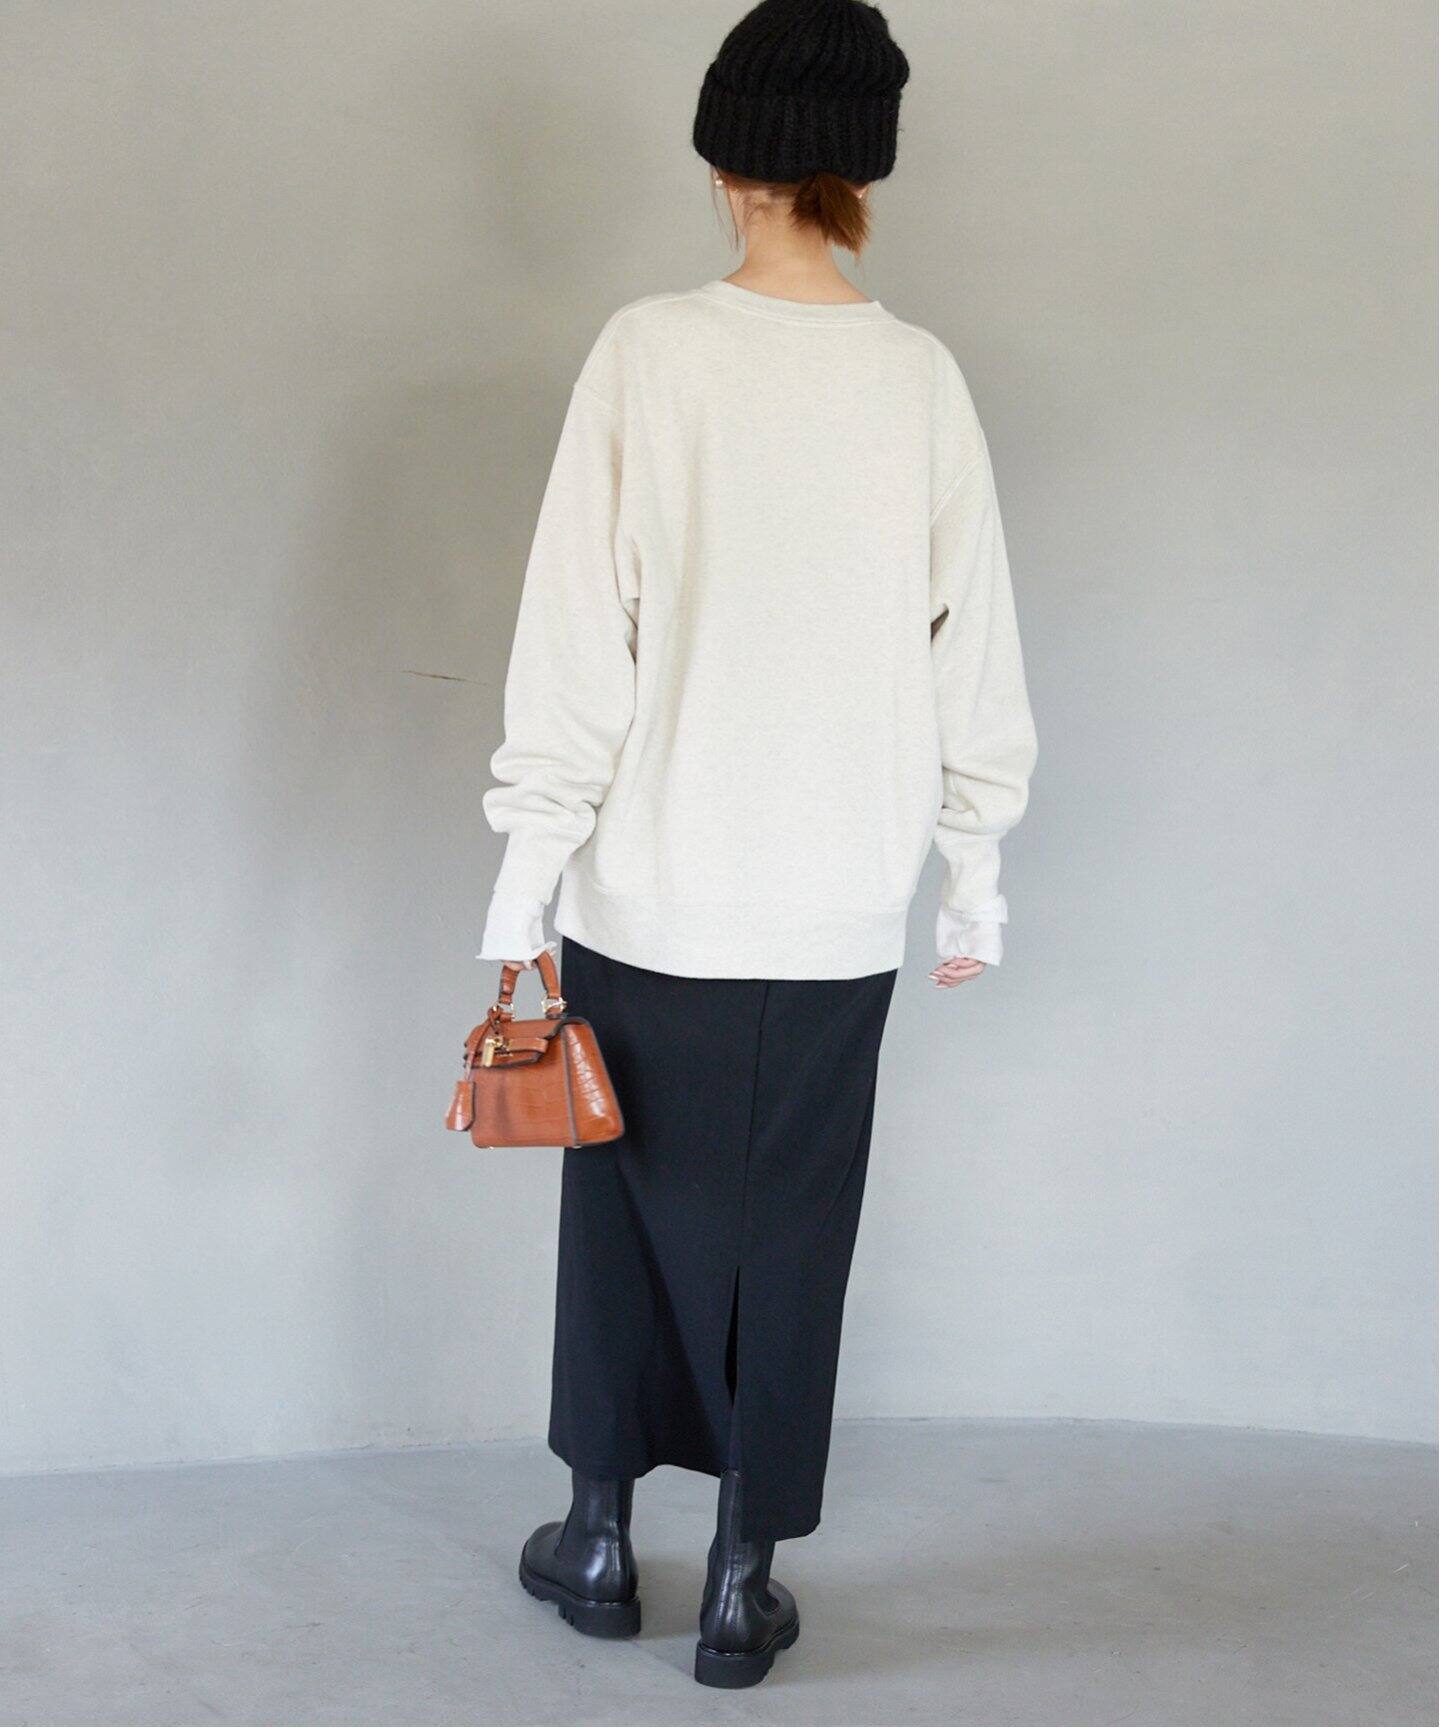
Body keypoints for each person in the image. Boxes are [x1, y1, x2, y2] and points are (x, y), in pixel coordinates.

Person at [478, 0, 1037, 1690]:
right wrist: (975, 873)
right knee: (793, 1235)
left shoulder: (649, 353)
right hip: (836, 903)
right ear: (862, 173)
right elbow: (976, 653)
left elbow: (577, 640)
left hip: (652, 889)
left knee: (619, 1210)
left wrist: (524, 872)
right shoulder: (919, 380)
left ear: (726, 160)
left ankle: (596, 1540)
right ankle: (740, 1581)